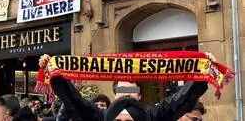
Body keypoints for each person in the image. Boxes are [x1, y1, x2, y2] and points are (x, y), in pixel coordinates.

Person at [39, 53, 215, 121]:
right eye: (122, 91)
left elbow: (179, 101)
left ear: (139, 95)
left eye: (131, 91)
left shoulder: (151, 117)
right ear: (115, 95)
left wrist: (203, 73)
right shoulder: (100, 117)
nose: (126, 96)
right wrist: (54, 72)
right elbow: (75, 100)